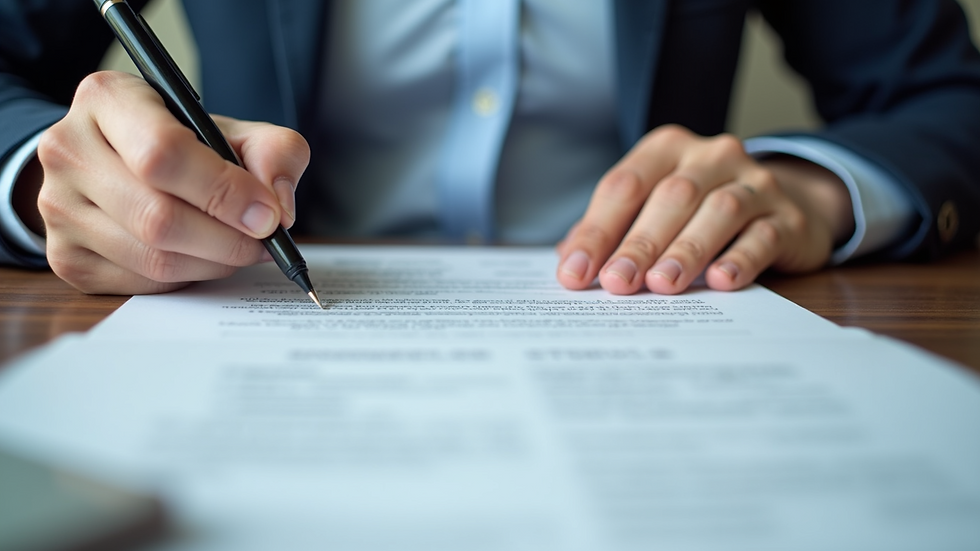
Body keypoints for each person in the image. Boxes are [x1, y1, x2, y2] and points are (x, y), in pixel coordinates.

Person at [1, 0, 979, 297]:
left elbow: (943, 98)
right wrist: (49, 174)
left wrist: (807, 189)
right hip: (267, 318)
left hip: (652, 319)